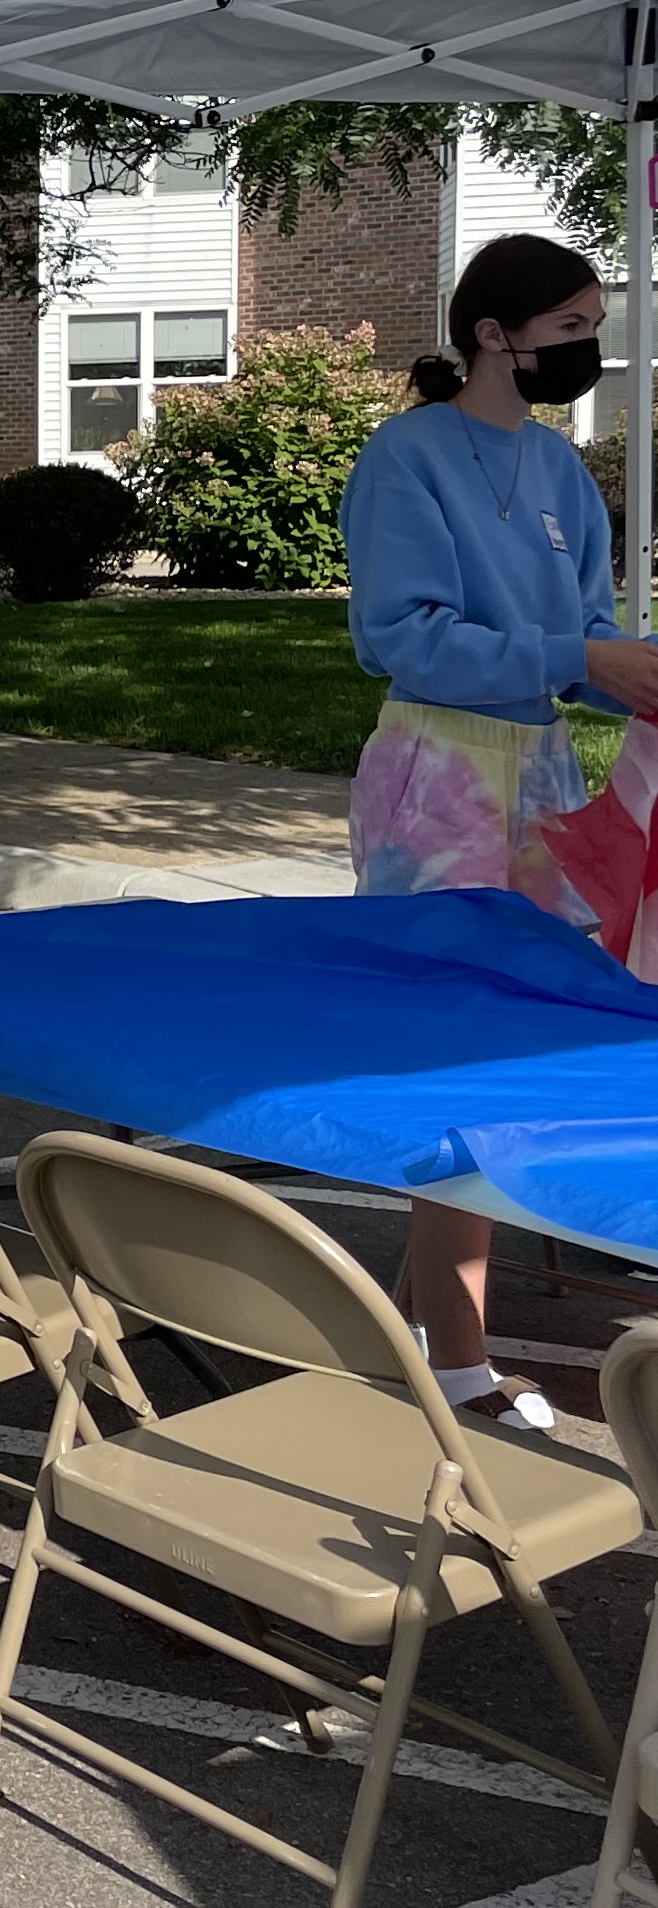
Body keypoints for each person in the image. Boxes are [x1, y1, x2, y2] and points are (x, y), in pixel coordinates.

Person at [340, 230, 658, 1425]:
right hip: (437, 771)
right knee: (456, 1058)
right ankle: (456, 1358)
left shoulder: (561, 469)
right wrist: (585, 657)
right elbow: (405, 636)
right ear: (493, 333)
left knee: (518, 1042)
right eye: (571, 329)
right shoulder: (407, 457)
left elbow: (588, 642)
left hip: (538, 771)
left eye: (593, 329)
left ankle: (436, 1318)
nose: (589, 351)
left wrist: (628, 674)